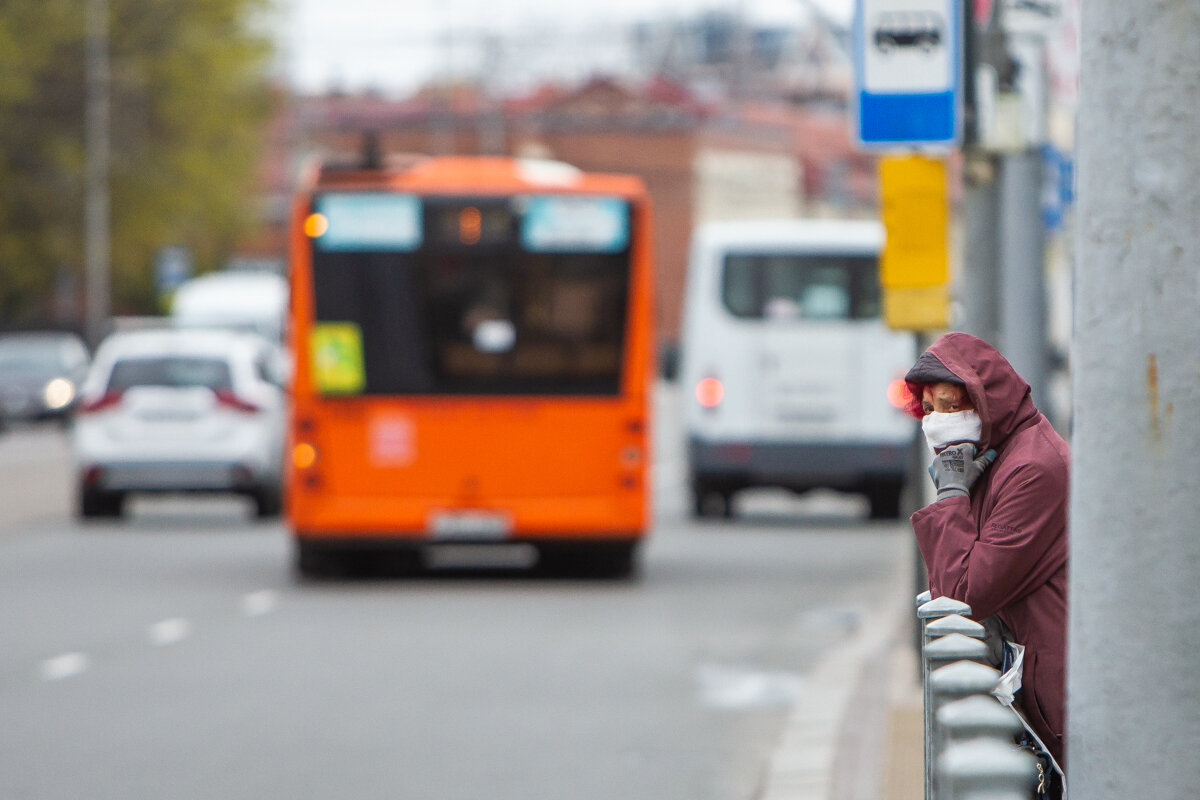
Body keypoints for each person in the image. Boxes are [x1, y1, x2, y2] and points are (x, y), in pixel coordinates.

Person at [903, 332, 1070, 772]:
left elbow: (962, 594)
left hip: (1062, 708)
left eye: (952, 405)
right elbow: (951, 581)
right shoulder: (996, 458)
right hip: (1038, 696)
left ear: (985, 401)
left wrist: (953, 494)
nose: (938, 420)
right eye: (931, 408)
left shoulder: (1032, 469)